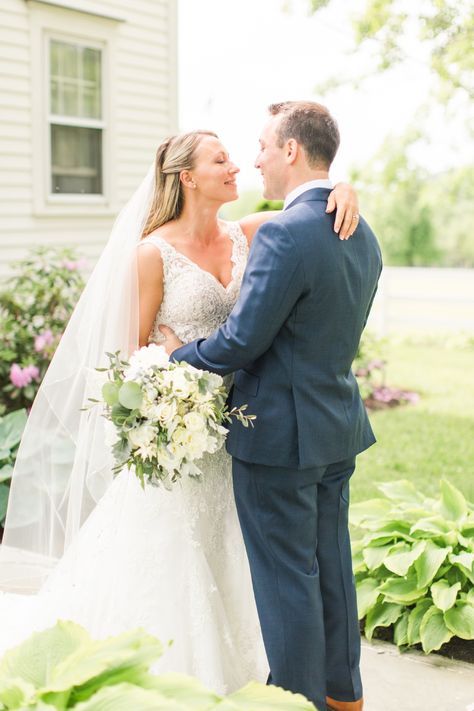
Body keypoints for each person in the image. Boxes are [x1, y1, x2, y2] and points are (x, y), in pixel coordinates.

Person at [0, 128, 359, 695]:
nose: (236, 166)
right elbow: (127, 359)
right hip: (181, 434)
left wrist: (343, 188)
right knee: (176, 562)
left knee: (256, 563)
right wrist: (170, 400)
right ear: (187, 177)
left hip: (247, 431)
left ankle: (279, 678)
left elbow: (309, 218)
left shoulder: (250, 234)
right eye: (220, 160)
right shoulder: (152, 253)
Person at [160, 102, 383, 711]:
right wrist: (344, 184)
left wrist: (176, 356)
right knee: (332, 568)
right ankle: (344, 696)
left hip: (279, 435)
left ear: (290, 151)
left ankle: (298, 703)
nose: (253, 157)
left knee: (288, 579)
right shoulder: (361, 228)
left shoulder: (285, 232)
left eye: (261, 145)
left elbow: (241, 342)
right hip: (336, 428)